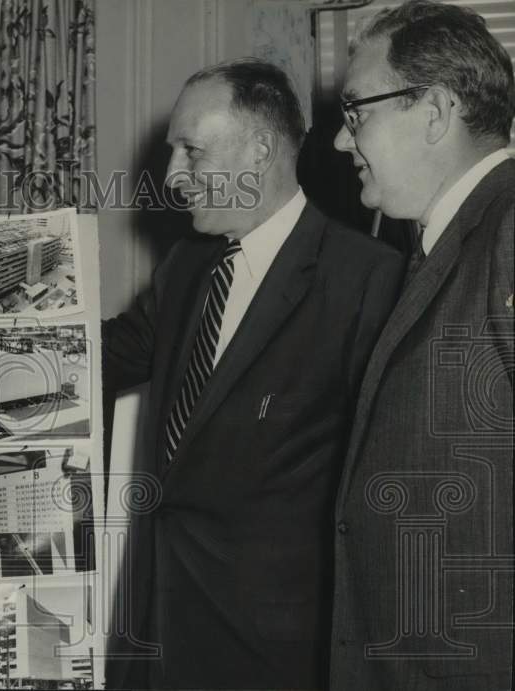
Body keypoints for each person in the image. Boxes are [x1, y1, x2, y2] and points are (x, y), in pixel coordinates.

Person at [103, 58, 405, 689]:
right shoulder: (184, 269)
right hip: (159, 641)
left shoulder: (368, 282)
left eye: (192, 152)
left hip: (278, 658)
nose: (171, 177)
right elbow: (99, 357)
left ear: (261, 150)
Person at [328, 2, 514, 689]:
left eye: (358, 114)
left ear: (435, 111)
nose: (344, 143)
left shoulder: (508, 227)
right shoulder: (433, 249)